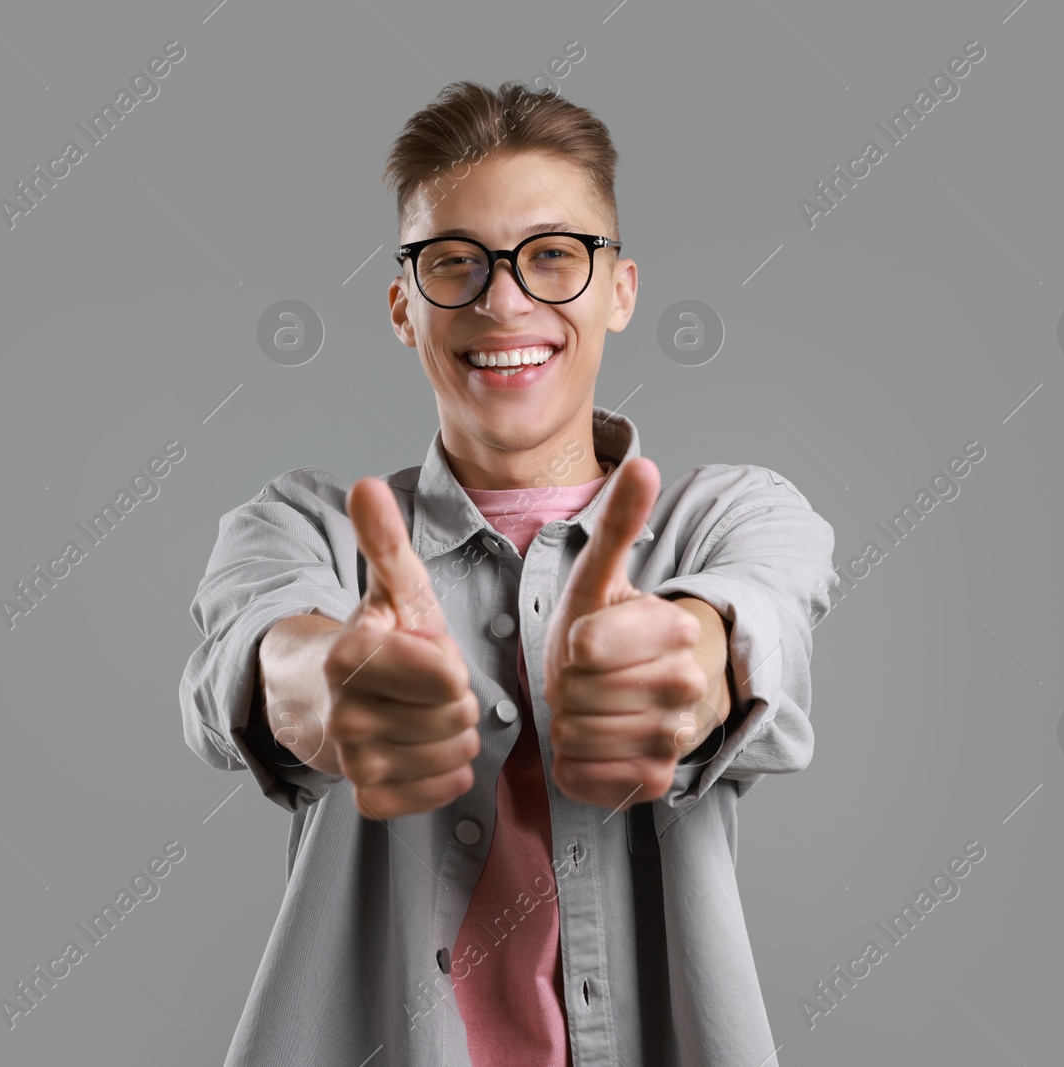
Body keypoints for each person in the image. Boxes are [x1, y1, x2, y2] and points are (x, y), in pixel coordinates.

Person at [177, 79, 836, 1067]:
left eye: (552, 256)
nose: (504, 299)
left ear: (618, 289)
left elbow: (753, 621)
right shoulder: (303, 527)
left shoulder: (727, 517)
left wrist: (686, 664)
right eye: (455, 263)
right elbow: (251, 654)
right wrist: (328, 687)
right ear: (404, 307)